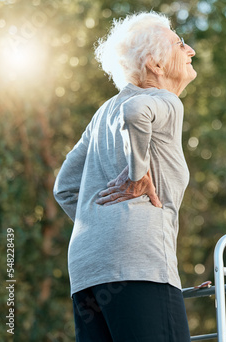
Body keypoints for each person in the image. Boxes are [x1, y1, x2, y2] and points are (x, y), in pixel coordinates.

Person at [53, 11, 196, 342]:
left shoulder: (103, 112)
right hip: (139, 265)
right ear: (155, 65)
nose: (190, 50)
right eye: (180, 44)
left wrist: (106, 223)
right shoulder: (164, 100)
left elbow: (64, 189)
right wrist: (137, 173)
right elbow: (137, 112)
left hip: (88, 270)